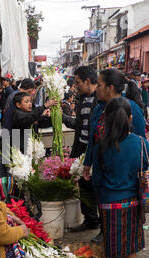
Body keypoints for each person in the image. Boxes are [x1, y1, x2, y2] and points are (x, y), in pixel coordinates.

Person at [89, 97, 149, 258]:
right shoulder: (140, 143)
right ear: (130, 118)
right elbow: (146, 166)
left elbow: (96, 180)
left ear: (106, 120)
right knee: (130, 248)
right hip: (133, 203)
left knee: (115, 251)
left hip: (109, 204)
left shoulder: (101, 147)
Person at [83, 68, 146, 184]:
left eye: (99, 85)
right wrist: (87, 163)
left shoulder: (132, 109)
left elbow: (142, 146)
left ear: (110, 88)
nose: (96, 89)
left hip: (124, 178)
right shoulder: (99, 108)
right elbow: (93, 138)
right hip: (100, 174)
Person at [62, 66, 100, 236]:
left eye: (78, 82)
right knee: (84, 186)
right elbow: (79, 125)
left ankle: (103, 226)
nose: (75, 86)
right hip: (83, 148)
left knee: (97, 188)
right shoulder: (83, 99)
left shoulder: (101, 99)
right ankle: (91, 220)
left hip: (97, 150)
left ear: (87, 81)